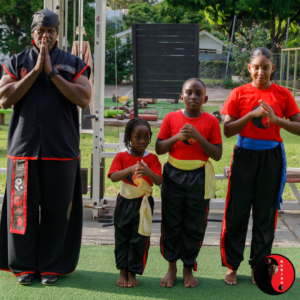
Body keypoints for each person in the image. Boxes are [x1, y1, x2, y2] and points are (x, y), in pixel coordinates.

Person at [0, 8, 91, 285]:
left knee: (57, 211)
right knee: (21, 210)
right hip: (23, 151)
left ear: (57, 34)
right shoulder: (16, 62)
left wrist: (52, 73)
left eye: (51, 31)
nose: (46, 36)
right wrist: (36, 71)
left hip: (61, 151)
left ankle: (52, 267)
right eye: (41, 31)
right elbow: (4, 98)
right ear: (33, 34)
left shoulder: (73, 63)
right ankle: (24, 265)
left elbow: (84, 98)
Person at [220, 47, 300, 285]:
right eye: (256, 67)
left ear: (272, 69)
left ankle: (259, 265)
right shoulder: (238, 93)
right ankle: (232, 266)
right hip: (244, 156)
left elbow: (298, 126)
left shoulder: (283, 94)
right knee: (237, 214)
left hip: (271, 159)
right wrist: (250, 115)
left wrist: (276, 120)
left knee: (265, 214)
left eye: (266, 67)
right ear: (249, 68)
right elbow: (227, 130)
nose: (261, 72)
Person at [156, 78, 222, 288]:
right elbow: (159, 148)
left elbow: (217, 154)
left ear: (205, 98)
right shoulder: (171, 118)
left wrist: (198, 136)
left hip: (199, 177)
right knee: (171, 222)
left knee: (194, 224)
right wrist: (177, 137)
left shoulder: (211, 121)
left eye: (198, 93)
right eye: (189, 92)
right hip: (173, 176)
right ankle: (171, 267)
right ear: (181, 96)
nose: (193, 97)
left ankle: (187, 267)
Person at [108, 117, 162, 288]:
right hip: (124, 202)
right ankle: (122, 271)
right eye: (137, 137)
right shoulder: (122, 156)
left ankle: (133, 272)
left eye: (146, 137)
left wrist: (147, 171)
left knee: (139, 238)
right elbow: (114, 176)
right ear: (128, 138)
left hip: (143, 203)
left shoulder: (152, 158)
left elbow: (159, 180)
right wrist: (130, 169)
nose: (142, 141)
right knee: (122, 236)